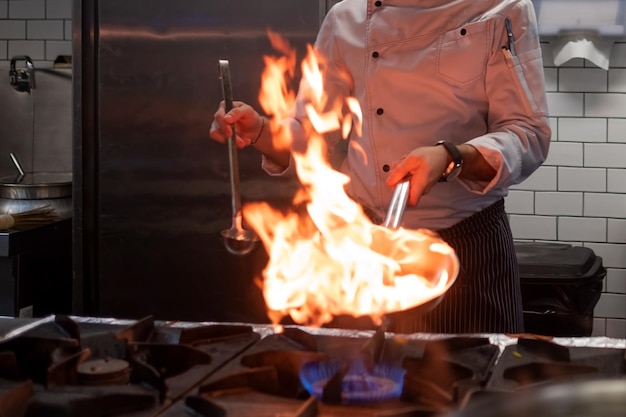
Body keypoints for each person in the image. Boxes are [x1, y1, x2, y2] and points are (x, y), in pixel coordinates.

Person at [210, 0, 551, 334]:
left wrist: (451, 157)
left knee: (480, 382)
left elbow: (527, 135)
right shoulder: (346, 18)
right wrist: (261, 131)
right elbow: (311, 134)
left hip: (468, 248)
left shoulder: (503, 9)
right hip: (364, 249)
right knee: (363, 383)